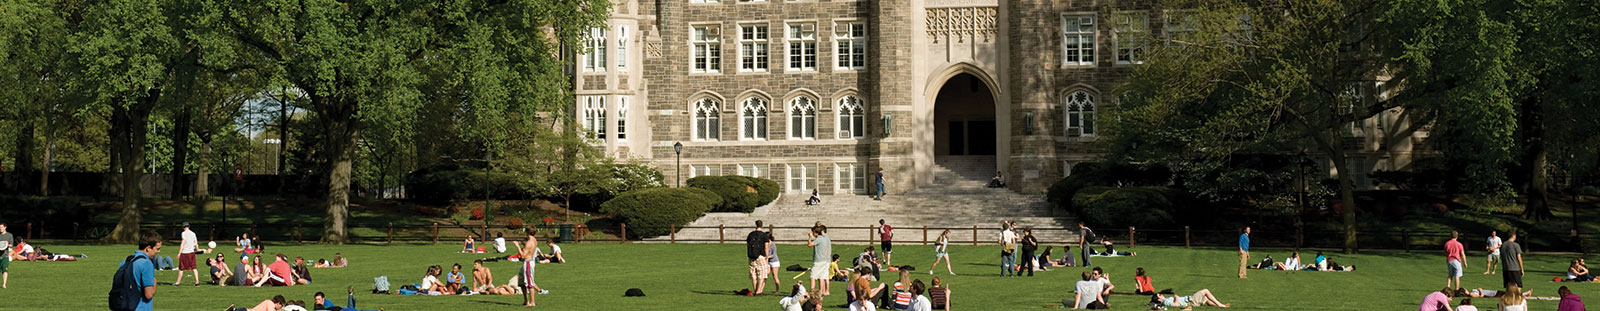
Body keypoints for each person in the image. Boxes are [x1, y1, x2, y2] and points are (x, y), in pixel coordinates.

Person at [114, 231, 161, 311]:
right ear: (148, 248)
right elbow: (148, 294)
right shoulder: (146, 263)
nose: (158, 251)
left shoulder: (127, 260)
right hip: (140, 307)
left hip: (125, 305)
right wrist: (155, 282)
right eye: (157, 249)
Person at [516, 228, 546, 306]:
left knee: (530, 283)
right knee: (521, 282)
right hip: (527, 263)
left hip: (528, 263)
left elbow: (523, 256)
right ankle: (526, 301)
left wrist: (517, 246)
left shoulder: (529, 242)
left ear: (527, 232)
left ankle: (532, 302)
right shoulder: (535, 240)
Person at [747, 220, 772, 295]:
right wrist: (767, 256)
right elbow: (766, 248)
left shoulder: (750, 234)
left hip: (751, 256)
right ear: (762, 226)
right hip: (760, 256)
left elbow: (748, 245)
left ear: (755, 225)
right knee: (762, 274)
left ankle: (755, 290)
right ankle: (759, 291)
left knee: (754, 274)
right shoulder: (764, 235)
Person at [809, 224, 832, 297]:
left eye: (813, 232)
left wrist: (809, 237)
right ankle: (821, 292)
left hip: (818, 261)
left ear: (816, 233)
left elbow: (810, 244)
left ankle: (812, 292)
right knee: (821, 277)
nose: (812, 234)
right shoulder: (825, 238)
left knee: (812, 277)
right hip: (824, 260)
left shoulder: (818, 239)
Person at [313, 287, 380, 311]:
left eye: (319, 299)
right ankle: (350, 295)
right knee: (351, 308)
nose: (317, 301)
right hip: (341, 309)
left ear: (323, 299)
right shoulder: (317, 305)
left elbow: (333, 309)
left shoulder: (327, 303)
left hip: (341, 309)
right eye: (316, 299)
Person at [1156, 288, 1230, 309]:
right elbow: (1176, 305)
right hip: (1190, 301)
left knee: (1206, 299)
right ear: (1158, 299)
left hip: (1190, 300)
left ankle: (1217, 306)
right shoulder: (1165, 301)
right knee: (1205, 291)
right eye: (1159, 295)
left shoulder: (1166, 300)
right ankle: (1220, 305)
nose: (1161, 294)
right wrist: (1176, 298)